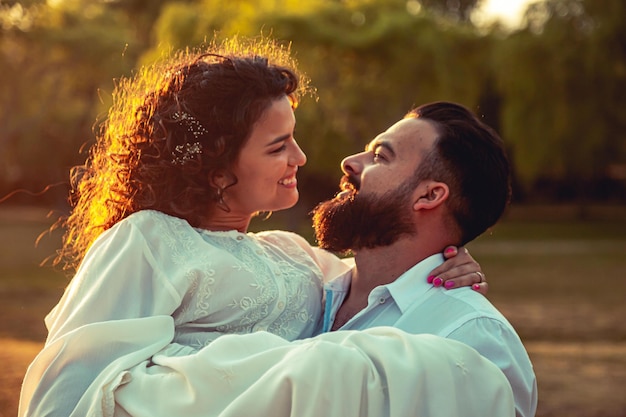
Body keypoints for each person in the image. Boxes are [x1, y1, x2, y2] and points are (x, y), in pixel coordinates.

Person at [18, 38, 505, 417]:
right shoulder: (148, 240)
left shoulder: (294, 254)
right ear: (218, 170)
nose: (302, 158)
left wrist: (448, 257)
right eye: (278, 147)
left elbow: (386, 272)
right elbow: (63, 392)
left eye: (293, 139)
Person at [311, 101, 538, 417]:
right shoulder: (303, 282)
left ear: (430, 196)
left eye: (380, 156)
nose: (349, 163)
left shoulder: (469, 338)